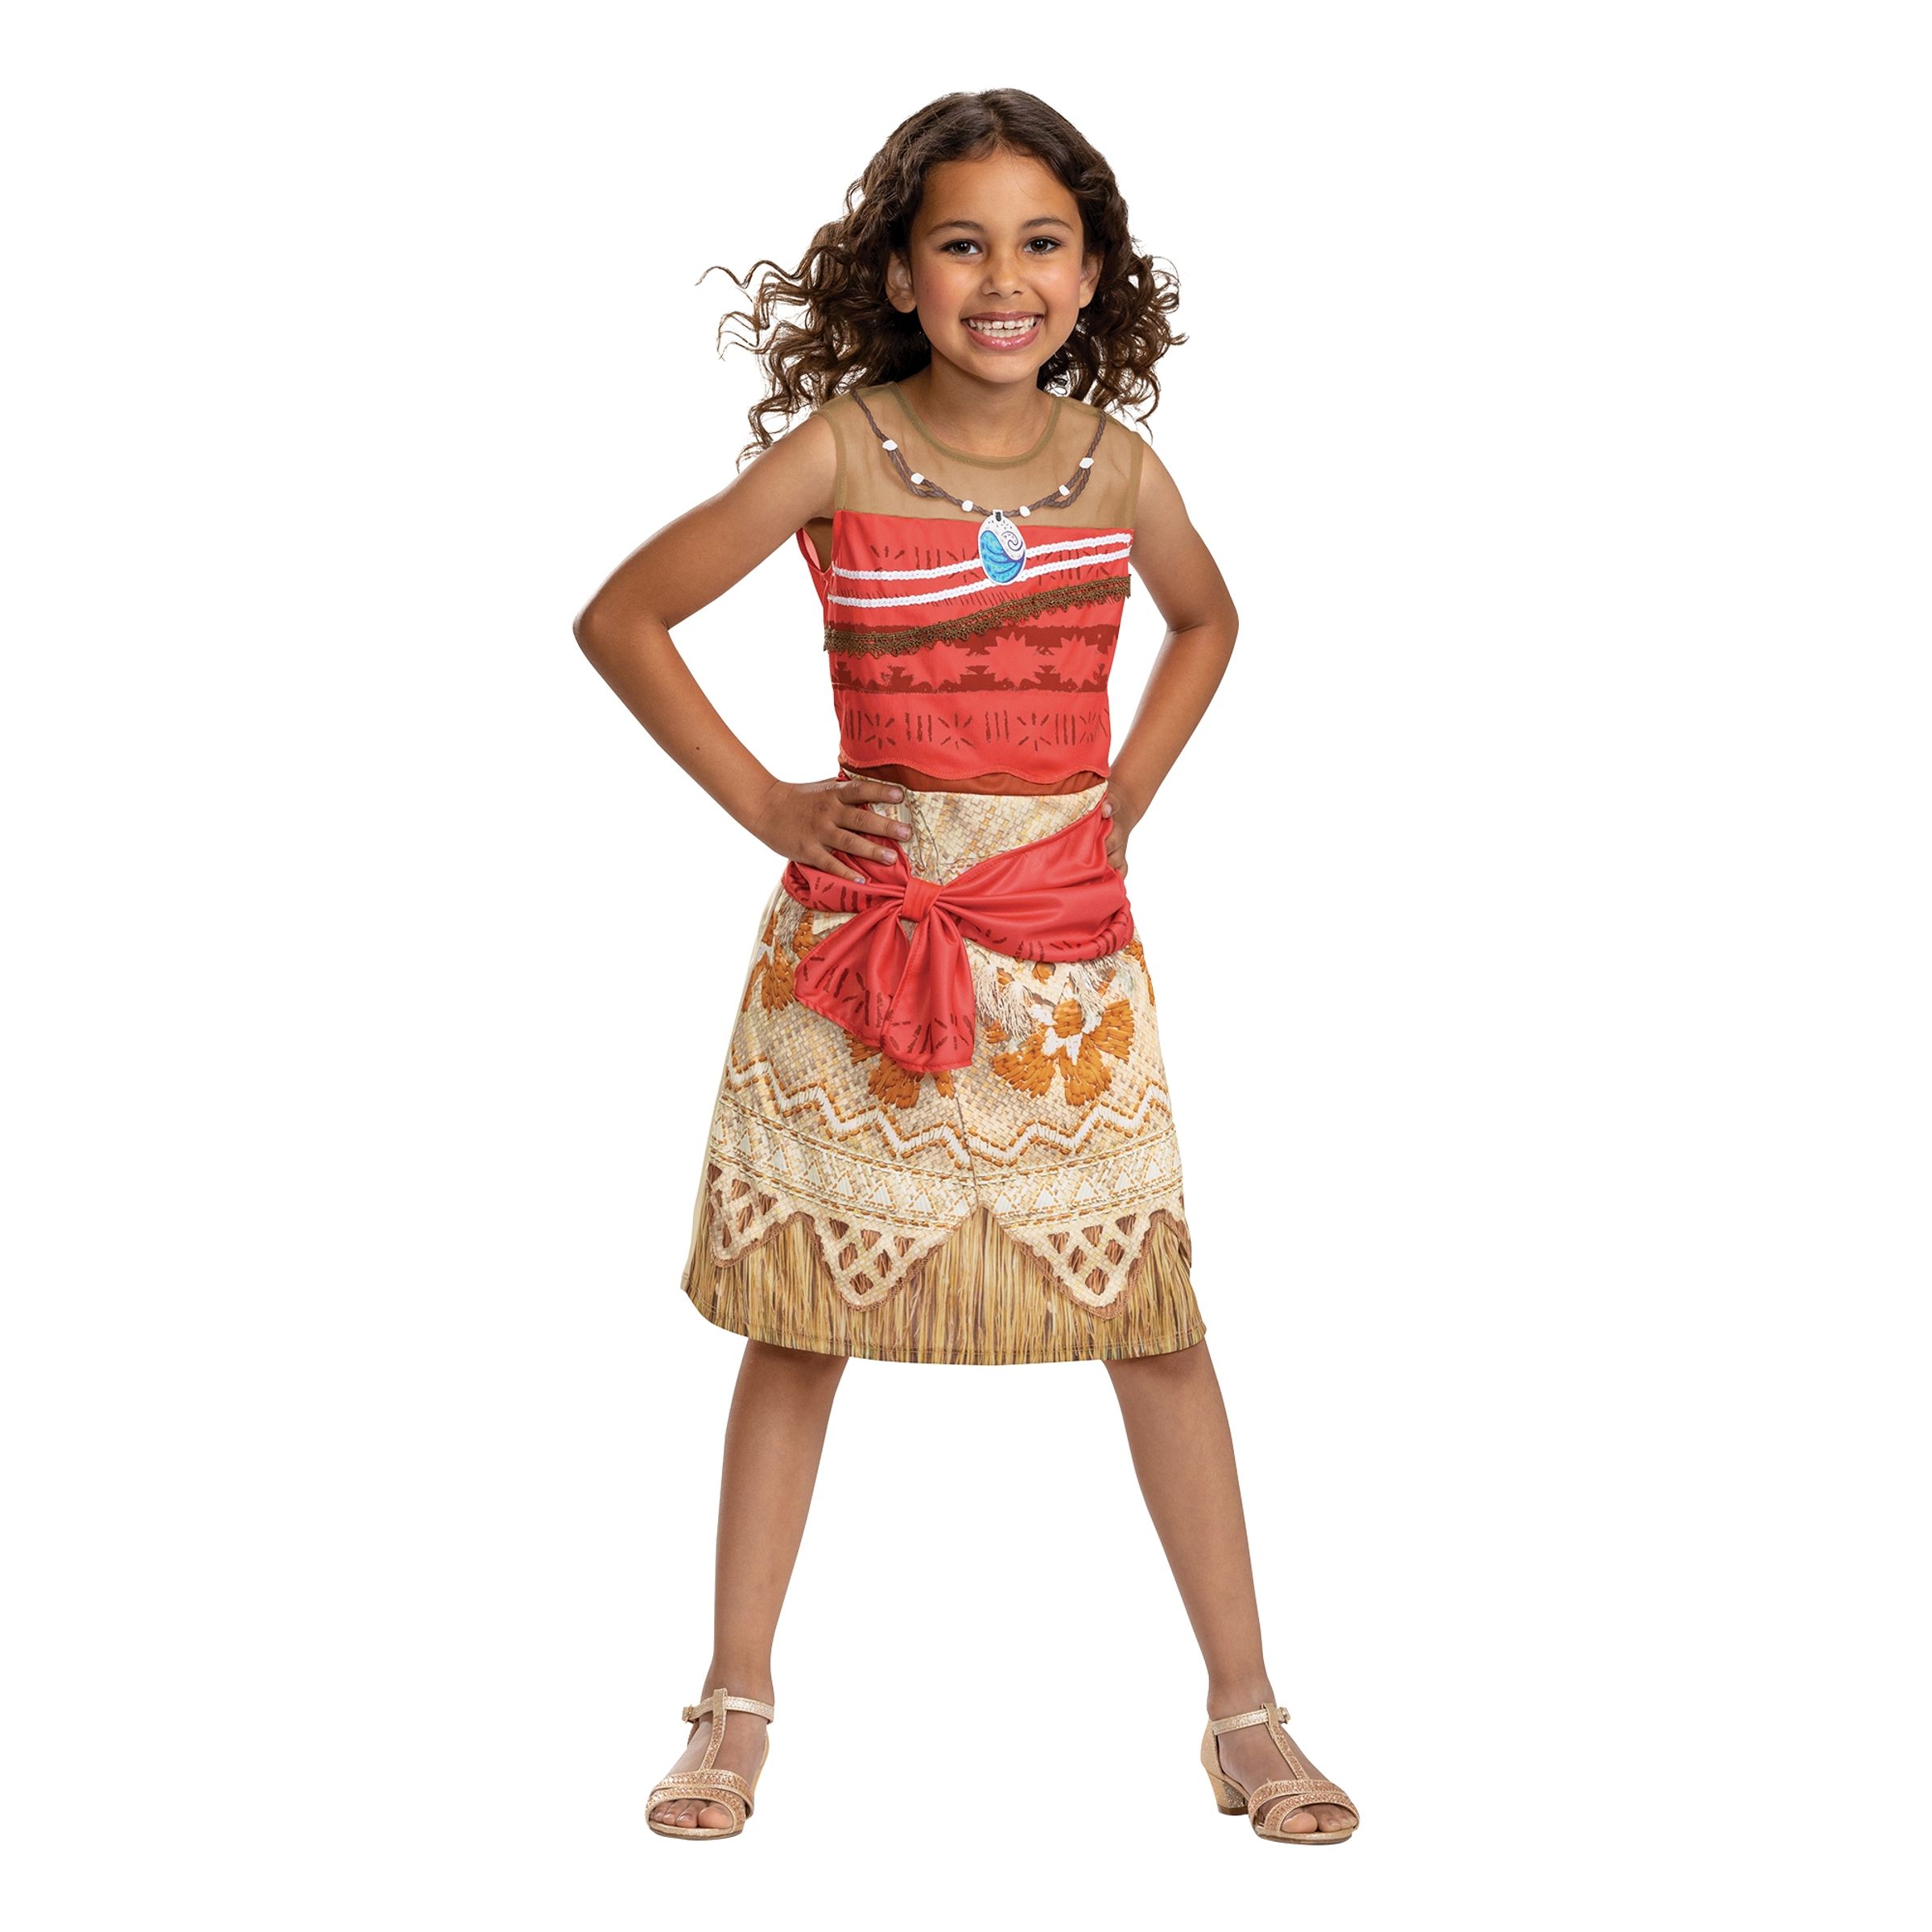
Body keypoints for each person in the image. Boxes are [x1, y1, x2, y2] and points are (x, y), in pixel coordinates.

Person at [573, 88, 1359, 1847]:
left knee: (1155, 1324)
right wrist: (774, 803)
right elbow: (623, 614)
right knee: (798, 1326)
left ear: (1092, 272)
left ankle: (1246, 1712)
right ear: (901, 274)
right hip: (866, 951)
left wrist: (1124, 793)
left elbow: (1210, 617)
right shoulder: (842, 452)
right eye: (963, 243)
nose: (1005, 278)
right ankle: (733, 1703)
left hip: (1062, 952)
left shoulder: (1116, 470)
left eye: (1041, 243)